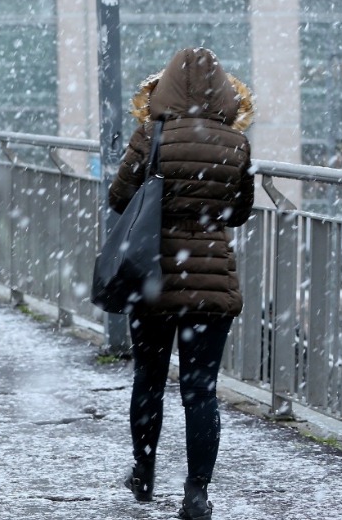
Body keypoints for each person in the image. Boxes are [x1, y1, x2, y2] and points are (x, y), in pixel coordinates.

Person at [108, 47, 255, 520]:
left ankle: (144, 473)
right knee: (200, 390)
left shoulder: (151, 134)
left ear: (165, 85)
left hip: (151, 277)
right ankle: (196, 494)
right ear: (224, 91)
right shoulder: (236, 143)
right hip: (210, 282)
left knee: (149, 379)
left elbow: (118, 199)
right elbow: (240, 211)